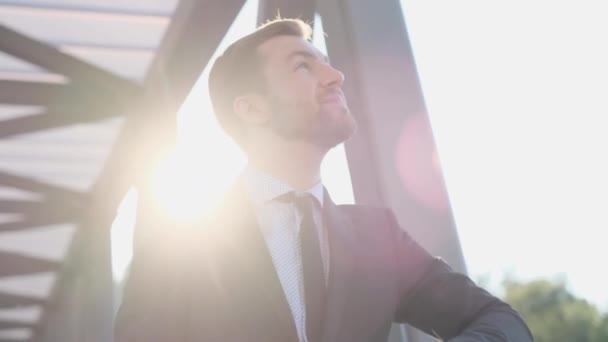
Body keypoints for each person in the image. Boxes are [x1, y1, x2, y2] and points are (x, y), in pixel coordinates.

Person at [114, 18, 533, 342]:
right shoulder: (177, 246)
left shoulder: (378, 237)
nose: (336, 77)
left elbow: (501, 322)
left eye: (327, 64)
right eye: (303, 66)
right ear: (252, 109)